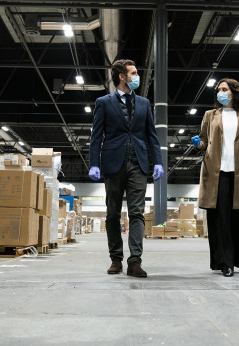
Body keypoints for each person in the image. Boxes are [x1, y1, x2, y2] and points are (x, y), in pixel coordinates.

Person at [88, 59, 164, 278]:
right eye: (134, 72)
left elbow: (151, 135)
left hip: (138, 163)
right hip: (112, 163)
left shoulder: (143, 103)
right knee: (112, 213)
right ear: (122, 76)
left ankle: (135, 261)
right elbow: (96, 136)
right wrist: (94, 163)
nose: (137, 76)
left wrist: (157, 161)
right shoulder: (103, 102)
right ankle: (116, 259)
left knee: (137, 213)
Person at [191, 78, 239, 277]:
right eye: (218, 89)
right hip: (216, 173)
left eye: (224, 89)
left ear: (234, 92)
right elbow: (204, 141)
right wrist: (198, 143)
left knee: (237, 218)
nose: (220, 92)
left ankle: (234, 259)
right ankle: (224, 262)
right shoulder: (210, 115)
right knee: (220, 219)